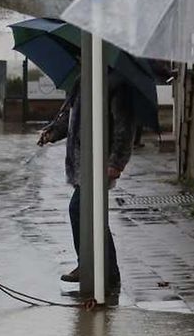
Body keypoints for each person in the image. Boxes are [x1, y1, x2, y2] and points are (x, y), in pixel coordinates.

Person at [37, 72, 136, 290]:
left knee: (78, 209)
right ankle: (110, 274)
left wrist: (117, 162)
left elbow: (124, 126)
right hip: (82, 162)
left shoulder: (116, 83)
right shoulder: (83, 79)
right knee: (95, 216)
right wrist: (52, 133)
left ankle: (88, 266)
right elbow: (74, 120)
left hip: (100, 162)